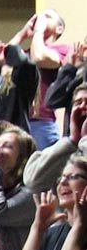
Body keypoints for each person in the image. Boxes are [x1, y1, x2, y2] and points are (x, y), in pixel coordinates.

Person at [24, 10, 72, 149]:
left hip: (42, 122)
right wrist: (22, 34)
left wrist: (39, 30)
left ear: (59, 28)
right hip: (20, 121)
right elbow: (3, 60)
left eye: (48, 17)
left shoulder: (62, 49)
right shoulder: (26, 53)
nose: (41, 19)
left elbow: (39, 58)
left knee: (44, 168)